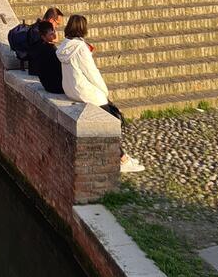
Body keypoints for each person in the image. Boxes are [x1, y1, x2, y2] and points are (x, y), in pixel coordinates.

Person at [56, 14, 144, 175]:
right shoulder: (80, 48)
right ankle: (122, 159)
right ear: (83, 28)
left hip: (70, 88)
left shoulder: (65, 45)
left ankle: (123, 156)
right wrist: (104, 90)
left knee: (109, 114)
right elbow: (91, 72)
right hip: (84, 90)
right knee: (110, 118)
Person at [27, 20, 64, 94]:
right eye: (51, 34)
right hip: (56, 87)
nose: (54, 36)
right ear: (43, 36)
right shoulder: (49, 49)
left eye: (53, 33)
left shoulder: (37, 46)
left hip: (46, 85)